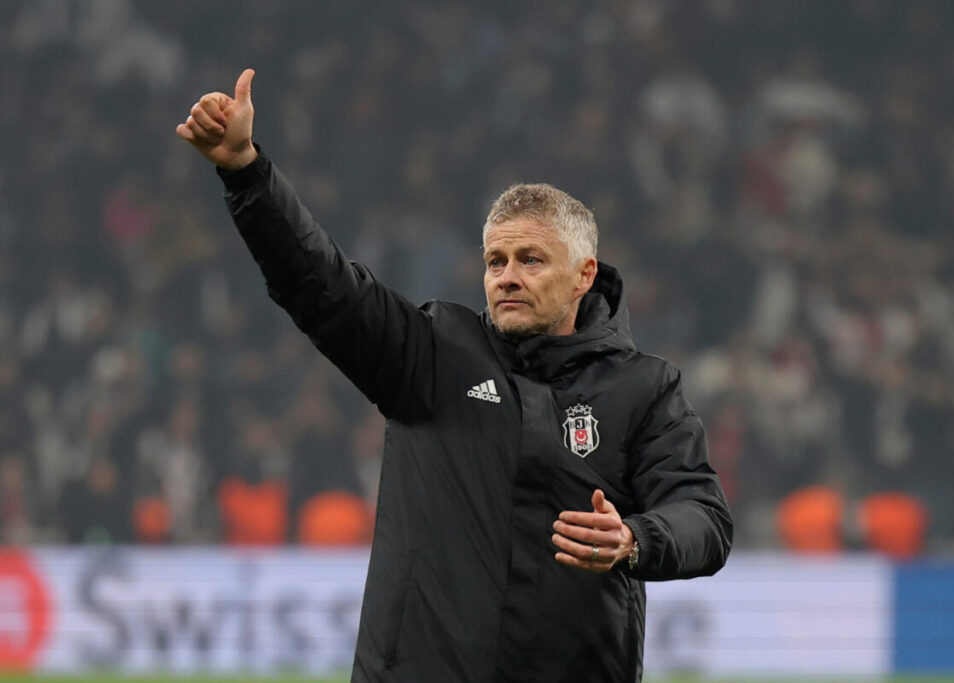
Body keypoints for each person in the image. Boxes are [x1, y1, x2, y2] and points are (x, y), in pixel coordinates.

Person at [176, 69, 732, 683]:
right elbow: (322, 285)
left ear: (584, 275)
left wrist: (634, 538)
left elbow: (704, 516)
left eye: (530, 260)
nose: (507, 277)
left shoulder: (643, 388)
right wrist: (246, 173)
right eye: (495, 260)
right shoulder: (434, 352)